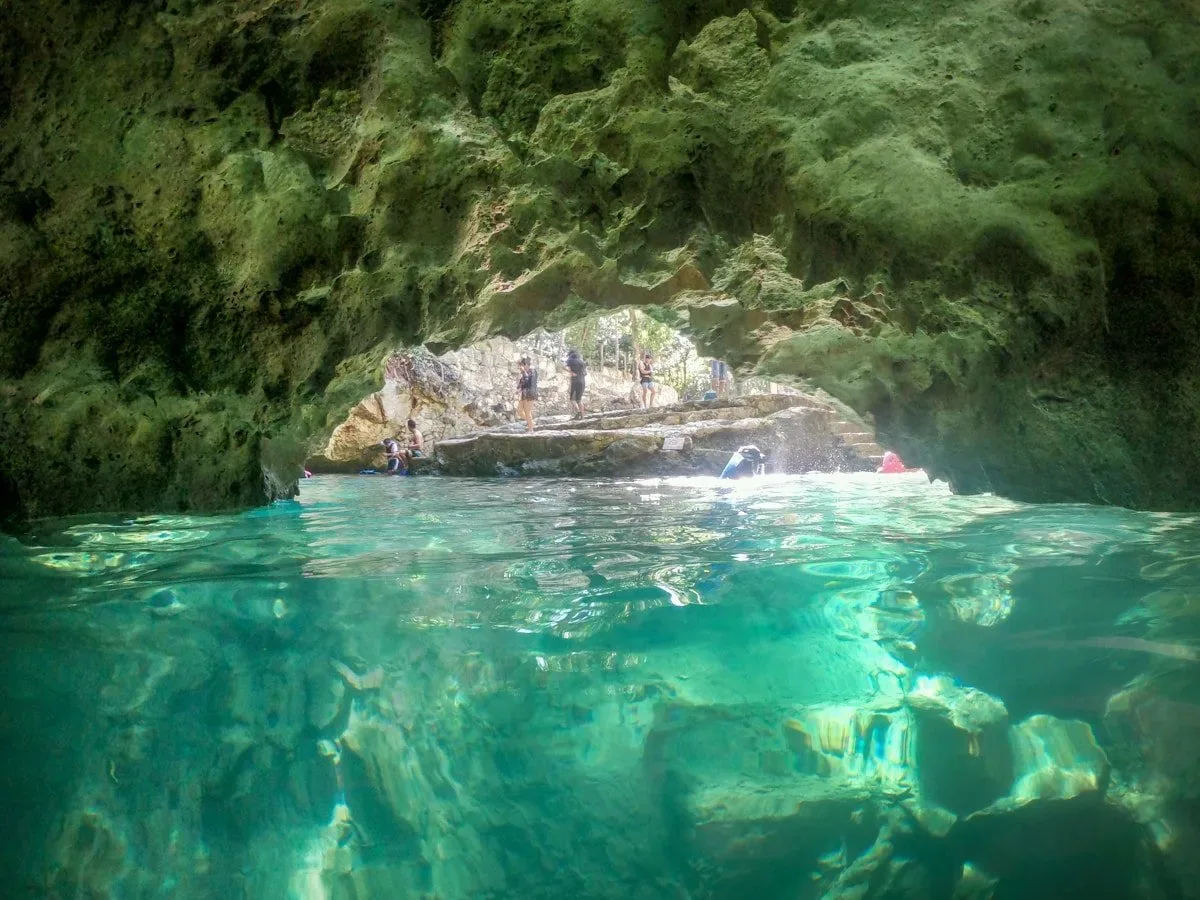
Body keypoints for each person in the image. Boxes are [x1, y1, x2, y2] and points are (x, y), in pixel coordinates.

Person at [517, 356, 538, 432]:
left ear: (525, 364)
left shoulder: (533, 371)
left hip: (530, 393)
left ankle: (531, 430)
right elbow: (523, 381)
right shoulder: (526, 372)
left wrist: (523, 372)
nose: (520, 367)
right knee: (519, 411)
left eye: (521, 365)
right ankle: (531, 423)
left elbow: (528, 379)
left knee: (527, 412)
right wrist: (519, 387)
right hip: (524, 393)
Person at [565, 349, 587, 419]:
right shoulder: (582, 361)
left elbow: (563, 366)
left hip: (575, 381)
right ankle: (582, 417)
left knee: (572, 399)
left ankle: (578, 412)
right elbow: (586, 373)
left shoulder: (570, 360)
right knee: (579, 400)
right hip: (583, 381)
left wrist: (572, 372)